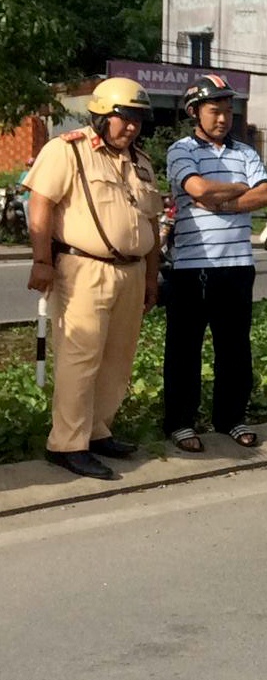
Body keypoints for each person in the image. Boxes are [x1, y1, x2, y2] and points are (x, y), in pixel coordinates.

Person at [22, 78, 163, 480]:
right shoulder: (68, 150)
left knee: (117, 359)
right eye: (124, 117)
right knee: (79, 357)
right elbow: (41, 204)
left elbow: (150, 222)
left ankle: (97, 431)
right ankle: (67, 444)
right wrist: (41, 260)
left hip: (132, 272)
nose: (131, 126)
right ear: (101, 114)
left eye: (137, 119)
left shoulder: (141, 160)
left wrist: (153, 277)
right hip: (84, 269)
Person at [163, 75, 267, 452]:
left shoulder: (245, 152)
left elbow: (265, 194)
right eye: (215, 111)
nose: (223, 119)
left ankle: (231, 417)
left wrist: (225, 200)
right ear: (195, 111)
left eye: (228, 112)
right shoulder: (181, 150)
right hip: (192, 267)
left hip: (238, 265)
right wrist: (241, 188)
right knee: (184, 348)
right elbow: (197, 189)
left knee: (234, 348)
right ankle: (180, 422)